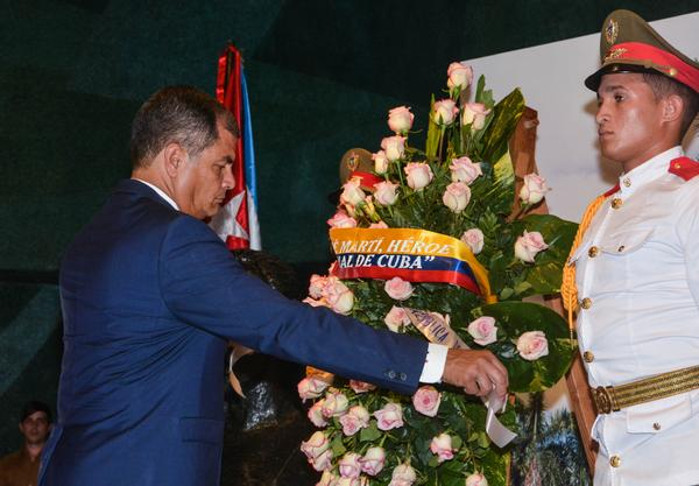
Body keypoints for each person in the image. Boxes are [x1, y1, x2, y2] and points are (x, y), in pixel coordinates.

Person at [39, 86, 508, 486]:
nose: (228, 184)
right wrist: (439, 361)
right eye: (221, 166)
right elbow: (285, 326)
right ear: (175, 156)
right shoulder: (173, 237)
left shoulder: (92, 237)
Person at [562, 9, 699, 486]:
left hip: (684, 456)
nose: (602, 113)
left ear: (669, 109)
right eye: (601, 99)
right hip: (617, 455)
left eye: (619, 98)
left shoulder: (691, 197)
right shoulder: (602, 213)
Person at [0, 401, 52, 486]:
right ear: (21, 427)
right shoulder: (6, 465)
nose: (34, 425)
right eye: (29, 421)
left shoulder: (58, 462)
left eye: (40, 421)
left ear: (49, 427)